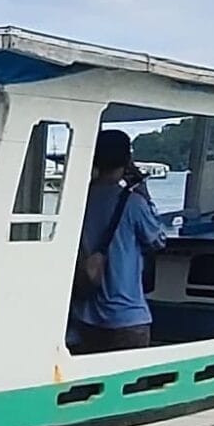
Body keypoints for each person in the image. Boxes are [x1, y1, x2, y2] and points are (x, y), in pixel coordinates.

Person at [71, 129, 170, 352]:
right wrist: (143, 190)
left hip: (86, 313)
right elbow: (158, 240)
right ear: (127, 160)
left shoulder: (79, 200)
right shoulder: (134, 203)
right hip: (126, 315)